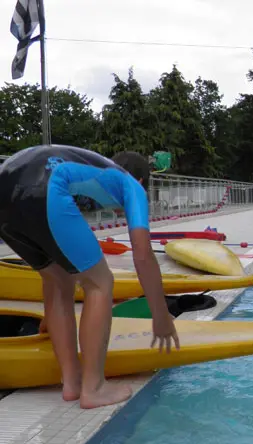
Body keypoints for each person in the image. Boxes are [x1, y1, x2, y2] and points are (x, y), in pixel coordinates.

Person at [0, 145, 179, 410]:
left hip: (5, 189)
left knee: (58, 279)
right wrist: (161, 315)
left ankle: (71, 383)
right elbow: (143, 255)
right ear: (141, 179)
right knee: (100, 282)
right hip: (42, 185)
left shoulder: (91, 168)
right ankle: (93, 388)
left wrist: (53, 317)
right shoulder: (132, 185)